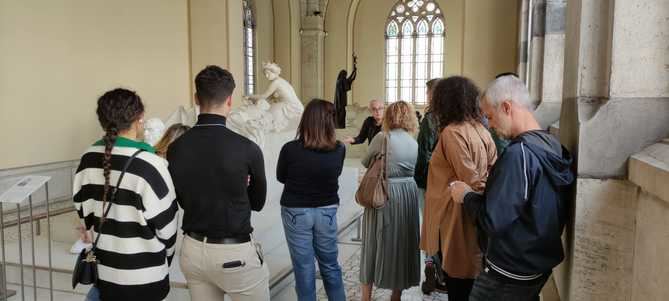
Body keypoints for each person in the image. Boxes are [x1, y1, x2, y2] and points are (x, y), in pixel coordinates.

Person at [450, 75, 574, 301]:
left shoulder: (520, 154)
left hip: (508, 272)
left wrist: (466, 195)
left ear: (506, 107)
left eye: (490, 116)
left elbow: (492, 220)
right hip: (536, 265)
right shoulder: (553, 145)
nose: (490, 125)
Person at [167, 65, 270, 301]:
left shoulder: (175, 148)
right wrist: (237, 186)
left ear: (196, 99)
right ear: (230, 100)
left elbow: (181, 199)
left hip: (192, 250)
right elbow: (258, 202)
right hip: (234, 253)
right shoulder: (247, 148)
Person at [73, 88, 178, 301]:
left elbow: (83, 213)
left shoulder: (87, 157)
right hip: (144, 278)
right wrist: (164, 258)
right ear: (139, 120)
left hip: (105, 273)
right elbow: (167, 229)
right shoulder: (151, 164)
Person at [420, 76, 497, 301]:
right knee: (469, 279)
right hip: (474, 214)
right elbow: (493, 170)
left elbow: (472, 180)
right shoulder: (480, 129)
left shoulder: (453, 132)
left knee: (459, 282)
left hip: (457, 216)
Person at [277, 99, 346, 301]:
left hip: (295, 211)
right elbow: (336, 173)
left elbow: (282, 177)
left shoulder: (290, 149)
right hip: (326, 209)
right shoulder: (339, 149)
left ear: (306, 120)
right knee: (330, 265)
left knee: (304, 267)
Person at [359, 101, 420, 301]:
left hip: (384, 193)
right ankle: (396, 296)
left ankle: (366, 297)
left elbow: (366, 161)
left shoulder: (382, 137)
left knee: (373, 243)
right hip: (408, 194)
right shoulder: (413, 141)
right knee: (402, 243)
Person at [413, 78, 447, 295]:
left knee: (430, 228)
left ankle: (432, 269)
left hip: (429, 183)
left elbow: (424, 153)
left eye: (428, 93)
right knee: (442, 227)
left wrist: (420, 180)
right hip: (446, 183)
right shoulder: (452, 117)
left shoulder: (431, 119)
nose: (427, 97)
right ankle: (443, 272)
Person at [334, 55, 358, 128]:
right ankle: (340, 126)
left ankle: (340, 126)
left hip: (340, 102)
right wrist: (354, 70)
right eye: (345, 74)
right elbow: (349, 80)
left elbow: (350, 80)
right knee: (341, 115)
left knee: (341, 115)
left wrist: (354, 70)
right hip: (340, 102)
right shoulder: (341, 81)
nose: (346, 76)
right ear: (343, 74)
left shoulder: (340, 81)